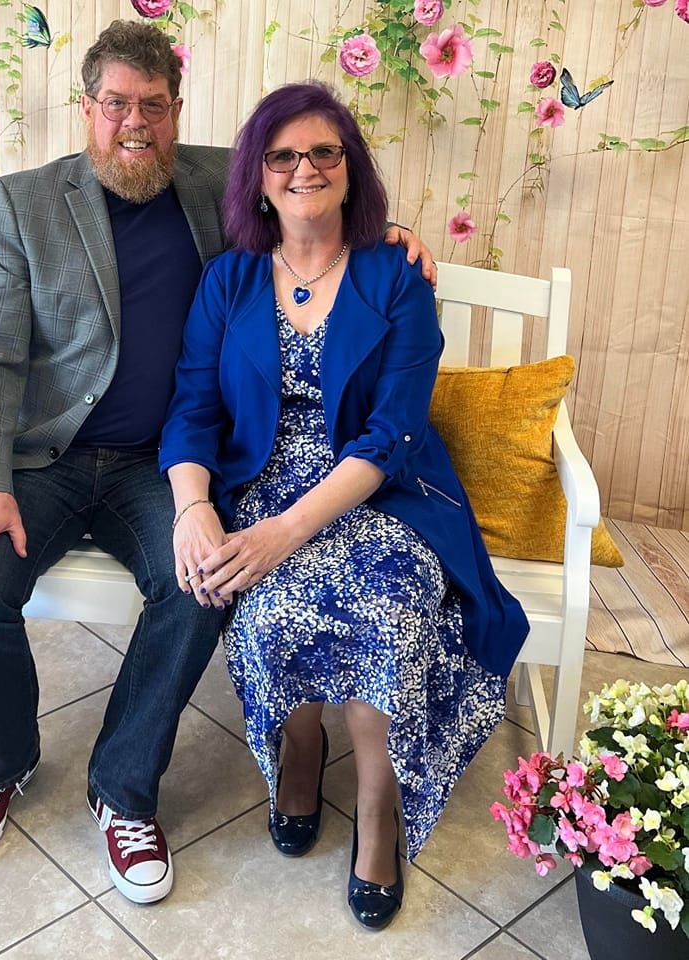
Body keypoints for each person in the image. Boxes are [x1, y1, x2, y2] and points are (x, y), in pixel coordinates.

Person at [0, 21, 435, 905]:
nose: (136, 123)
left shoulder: (212, 179)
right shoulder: (23, 203)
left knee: (203, 582)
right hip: (44, 457)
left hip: (162, 462)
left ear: (175, 109)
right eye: (116, 104)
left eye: (154, 106)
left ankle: (122, 789)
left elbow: (308, 186)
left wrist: (386, 231)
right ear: (86, 107)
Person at [160, 81, 529, 928]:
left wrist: (283, 533)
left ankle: (376, 807)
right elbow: (191, 410)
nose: (305, 169)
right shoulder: (228, 280)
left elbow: (393, 431)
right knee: (265, 612)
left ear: (350, 168)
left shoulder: (394, 275)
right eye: (283, 155)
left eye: (324, 151)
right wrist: (192, 508)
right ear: (257, 177)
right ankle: (301, 748)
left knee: (386, 617)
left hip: (380, 493)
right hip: (261, 485)